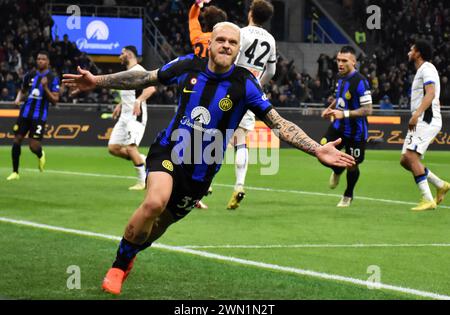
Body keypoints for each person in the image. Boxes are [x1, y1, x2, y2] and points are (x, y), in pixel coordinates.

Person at [63, 22, 355, 295]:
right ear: (211, 43)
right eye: (221, 40)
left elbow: (279, 124)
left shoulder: (246, 85)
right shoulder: (189, 64)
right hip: (169, 151)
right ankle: (118, 266)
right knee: (154, 202)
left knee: (158, 225)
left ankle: (131, 254)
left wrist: (317, 148)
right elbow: (144, 76)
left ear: (238, 49)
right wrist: (97, 80)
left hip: (201, 172)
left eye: (232, 42)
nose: (226, 45)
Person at [227, 0, 277, 210]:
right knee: (240, 140)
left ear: (250, 13)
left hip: (230, 88)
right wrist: (256, 86)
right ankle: (239, 185)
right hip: (251, 91)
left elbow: (231, 59)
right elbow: (272, 72)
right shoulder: (271, 40)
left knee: (212, 135)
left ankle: (205, 184)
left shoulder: (241, 33)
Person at [400, 40, 449, 211]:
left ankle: (428, 199)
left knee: (411, 156)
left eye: (411, 49)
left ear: (418, 53)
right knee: (405, 160)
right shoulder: (423, 70)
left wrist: (417, 114)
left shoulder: (427, 69)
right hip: (422, 119)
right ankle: (440, 184)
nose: (408, 52)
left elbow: (431, 93)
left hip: (426, 119)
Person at [321, 46, 373, 207]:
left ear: (353, 61)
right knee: (321, 151)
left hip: (356, 133)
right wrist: (331, 107)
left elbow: (368, 109)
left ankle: (348, 195)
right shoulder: (340, 78)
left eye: (344, 61)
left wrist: (344, 114)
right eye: (338, 60)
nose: (340, 64)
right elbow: (340, 98)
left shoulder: (361, 82)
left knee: (352, 165)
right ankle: (337, 170)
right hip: (338, 128)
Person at [188, 0, 227, 208]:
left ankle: (195, 189)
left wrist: (197, 4)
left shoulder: (198, 37)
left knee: (191, 137)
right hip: (217, 93)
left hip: (194, 90)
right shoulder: (224, 44)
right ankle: (200, 187)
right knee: (212, 141)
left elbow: (192, 18)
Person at [108, 46, 156, 190]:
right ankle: (143, 160)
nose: (120, 56)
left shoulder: (139, 71)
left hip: (136, 116)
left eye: (122, 53)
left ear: (129, 54)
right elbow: (131, 93)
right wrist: (120, 105)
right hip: (124, 117)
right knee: (113, 148)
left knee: (130, 147)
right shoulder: (128, 72)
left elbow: (151, 88)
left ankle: (143, 181)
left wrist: (138, 101)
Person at [6, 51, 60, 181]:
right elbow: (23, 91)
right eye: (38, 59)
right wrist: (18, 99)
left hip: (39, 117)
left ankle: (40, 154)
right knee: (16, 140)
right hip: (24, 114)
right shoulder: (29, 75)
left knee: (33, 146)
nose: (40, 61)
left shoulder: (53, 78)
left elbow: (55, 100)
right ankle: (15, 172)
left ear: (48, 62)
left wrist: (45, 87)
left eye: (43, 59)